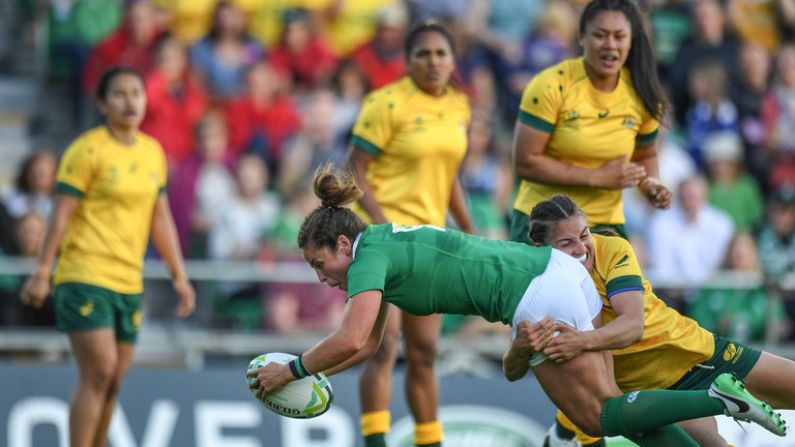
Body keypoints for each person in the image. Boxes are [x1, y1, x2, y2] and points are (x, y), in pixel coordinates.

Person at [247, 165, 787, 447]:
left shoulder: (367, 256)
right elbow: (363, 343)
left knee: (595, 418)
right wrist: (316, 377)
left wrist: (289, 369)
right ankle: (720, 402)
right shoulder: (382, 248)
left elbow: (347, 336)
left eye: (320, 266)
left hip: (535, 294)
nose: (322, 280)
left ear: (343, 245)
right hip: (553, 276)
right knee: (622, 408)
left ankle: (719, 398)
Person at [523, 194, 795, 447]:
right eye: (566, 243)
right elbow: (517, 366)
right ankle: (563, 435)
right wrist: (519, 348)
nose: (582, 248)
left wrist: (579, 342)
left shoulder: (612, 248)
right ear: (540, 248)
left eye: (584, 235)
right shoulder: (537, 286)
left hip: (694, 355)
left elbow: (632, 326)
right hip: (653, 395)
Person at [19, 66, 196, 447]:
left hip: (128, 280)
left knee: (115, 379)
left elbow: (159, 215)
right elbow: (61, 213)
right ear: (101, 103)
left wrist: (179, 275)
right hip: (84, 273)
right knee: (99, 371)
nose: (130, 100)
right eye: (119, 93)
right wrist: (42, 270)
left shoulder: (152, 152)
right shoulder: (86, 151)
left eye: (136, 92)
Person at [345, 20, 474, 447]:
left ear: (453, 60)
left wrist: (470, 230)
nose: (433, 61)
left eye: (441, 53)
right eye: (423, 53)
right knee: (382, 347)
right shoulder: (386, 103)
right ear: (408, 60)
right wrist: (384, 227)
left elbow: (449, 175)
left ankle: (428, 440)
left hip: (431, 243)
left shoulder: (459, 106)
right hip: (386, 242)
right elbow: (355, 168)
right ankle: (376, 442)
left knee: (425, 354)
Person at [510, 0, 671, 244]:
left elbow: (645, 155)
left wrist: (651, 184)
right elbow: (525, 163)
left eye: (619, 36)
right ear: (582, 37)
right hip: (543, 224)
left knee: (630, 284)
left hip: (606, 227)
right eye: (600, 35)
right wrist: (597, 176)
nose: (610, 45)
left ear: (631, 39)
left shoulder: (642, 92)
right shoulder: (551, 85)